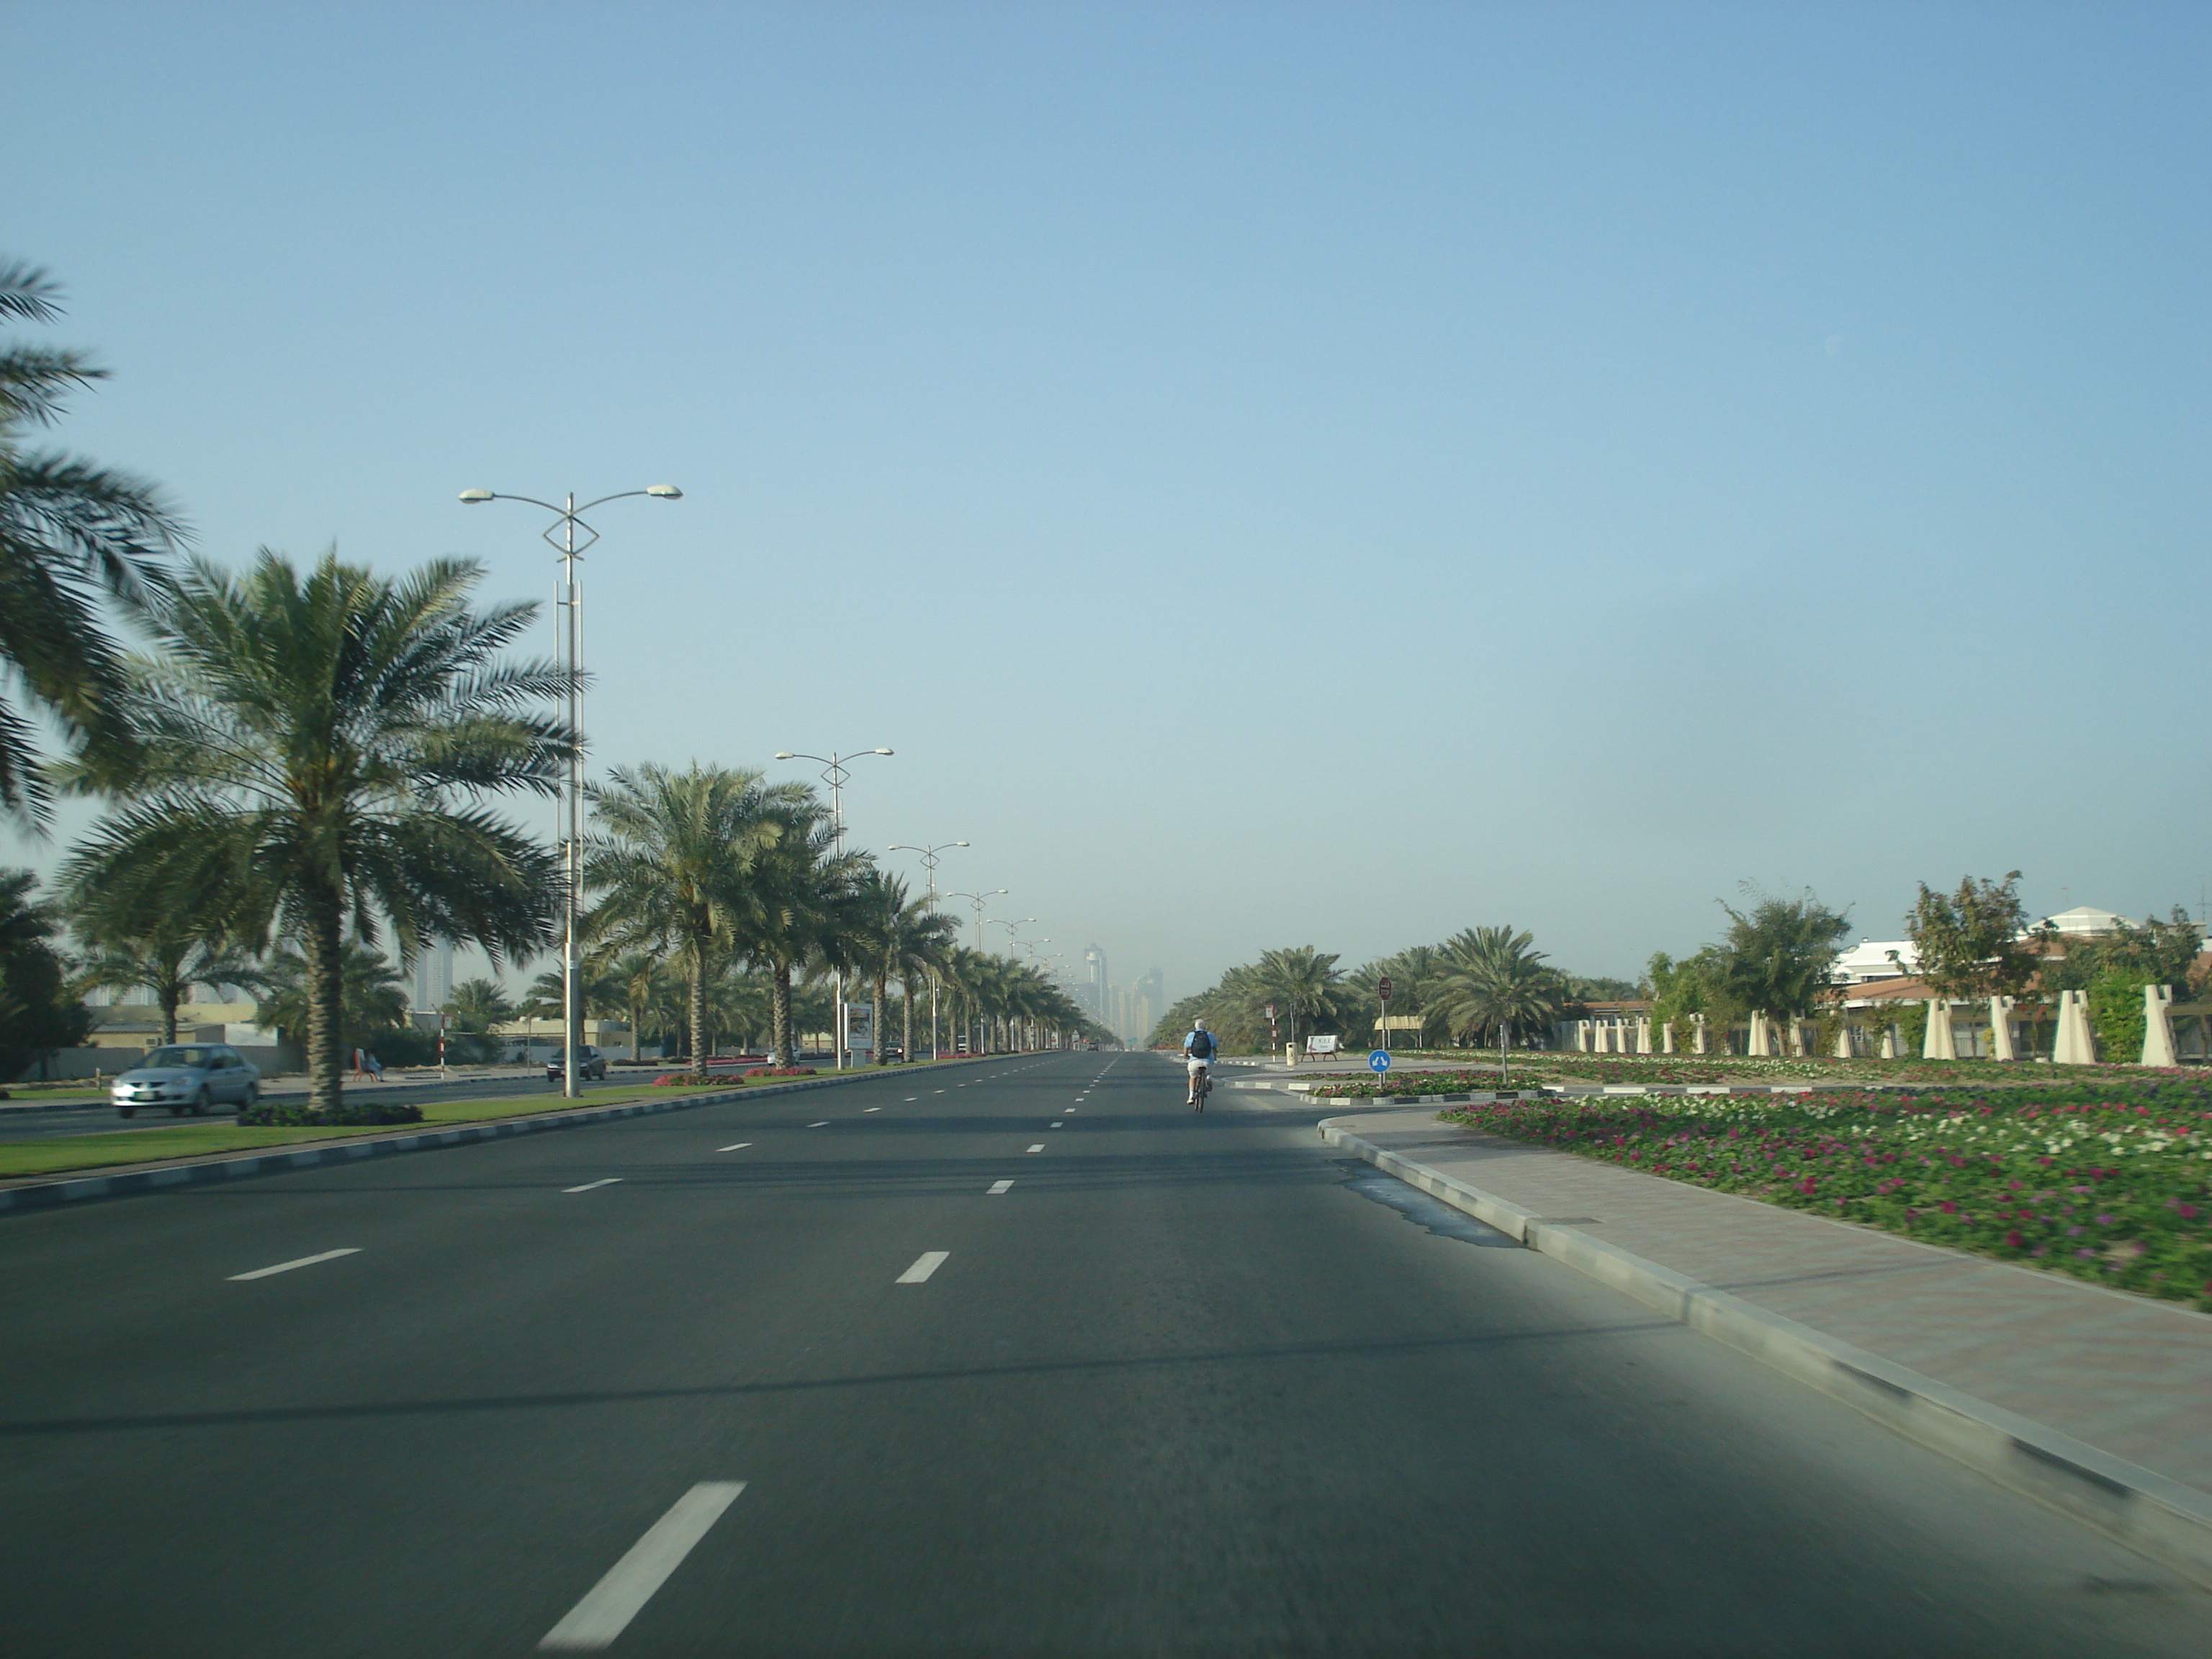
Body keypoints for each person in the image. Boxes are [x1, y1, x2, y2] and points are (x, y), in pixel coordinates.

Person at [1182, 1017, 1218, 1110]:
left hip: (1194, 1061)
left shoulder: (1191, 1035)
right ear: (1205, 1027)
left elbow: (1186, 1047)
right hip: (1208, 1063)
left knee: (1193, 1077)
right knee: (1209, 1070)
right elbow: (1214, 1049)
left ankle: (1191, 1096)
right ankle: (1208, 1077)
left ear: (1195, 1027)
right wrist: (1215, 1058)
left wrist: (1186, 1055)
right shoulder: (1210, 1035)